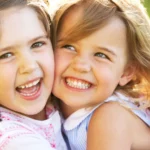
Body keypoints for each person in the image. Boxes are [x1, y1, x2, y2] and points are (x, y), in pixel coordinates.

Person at [52, 0, 150, 149]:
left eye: (101, 55)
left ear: (127, 72)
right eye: (69, 47)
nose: (81, 65)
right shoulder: (48, 106)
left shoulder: (111, 117)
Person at [0, 0, 67, 149]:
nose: (29, 66)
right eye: (5, 55)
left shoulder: (60, 100)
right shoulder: (14, 141)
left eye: (37, 44)